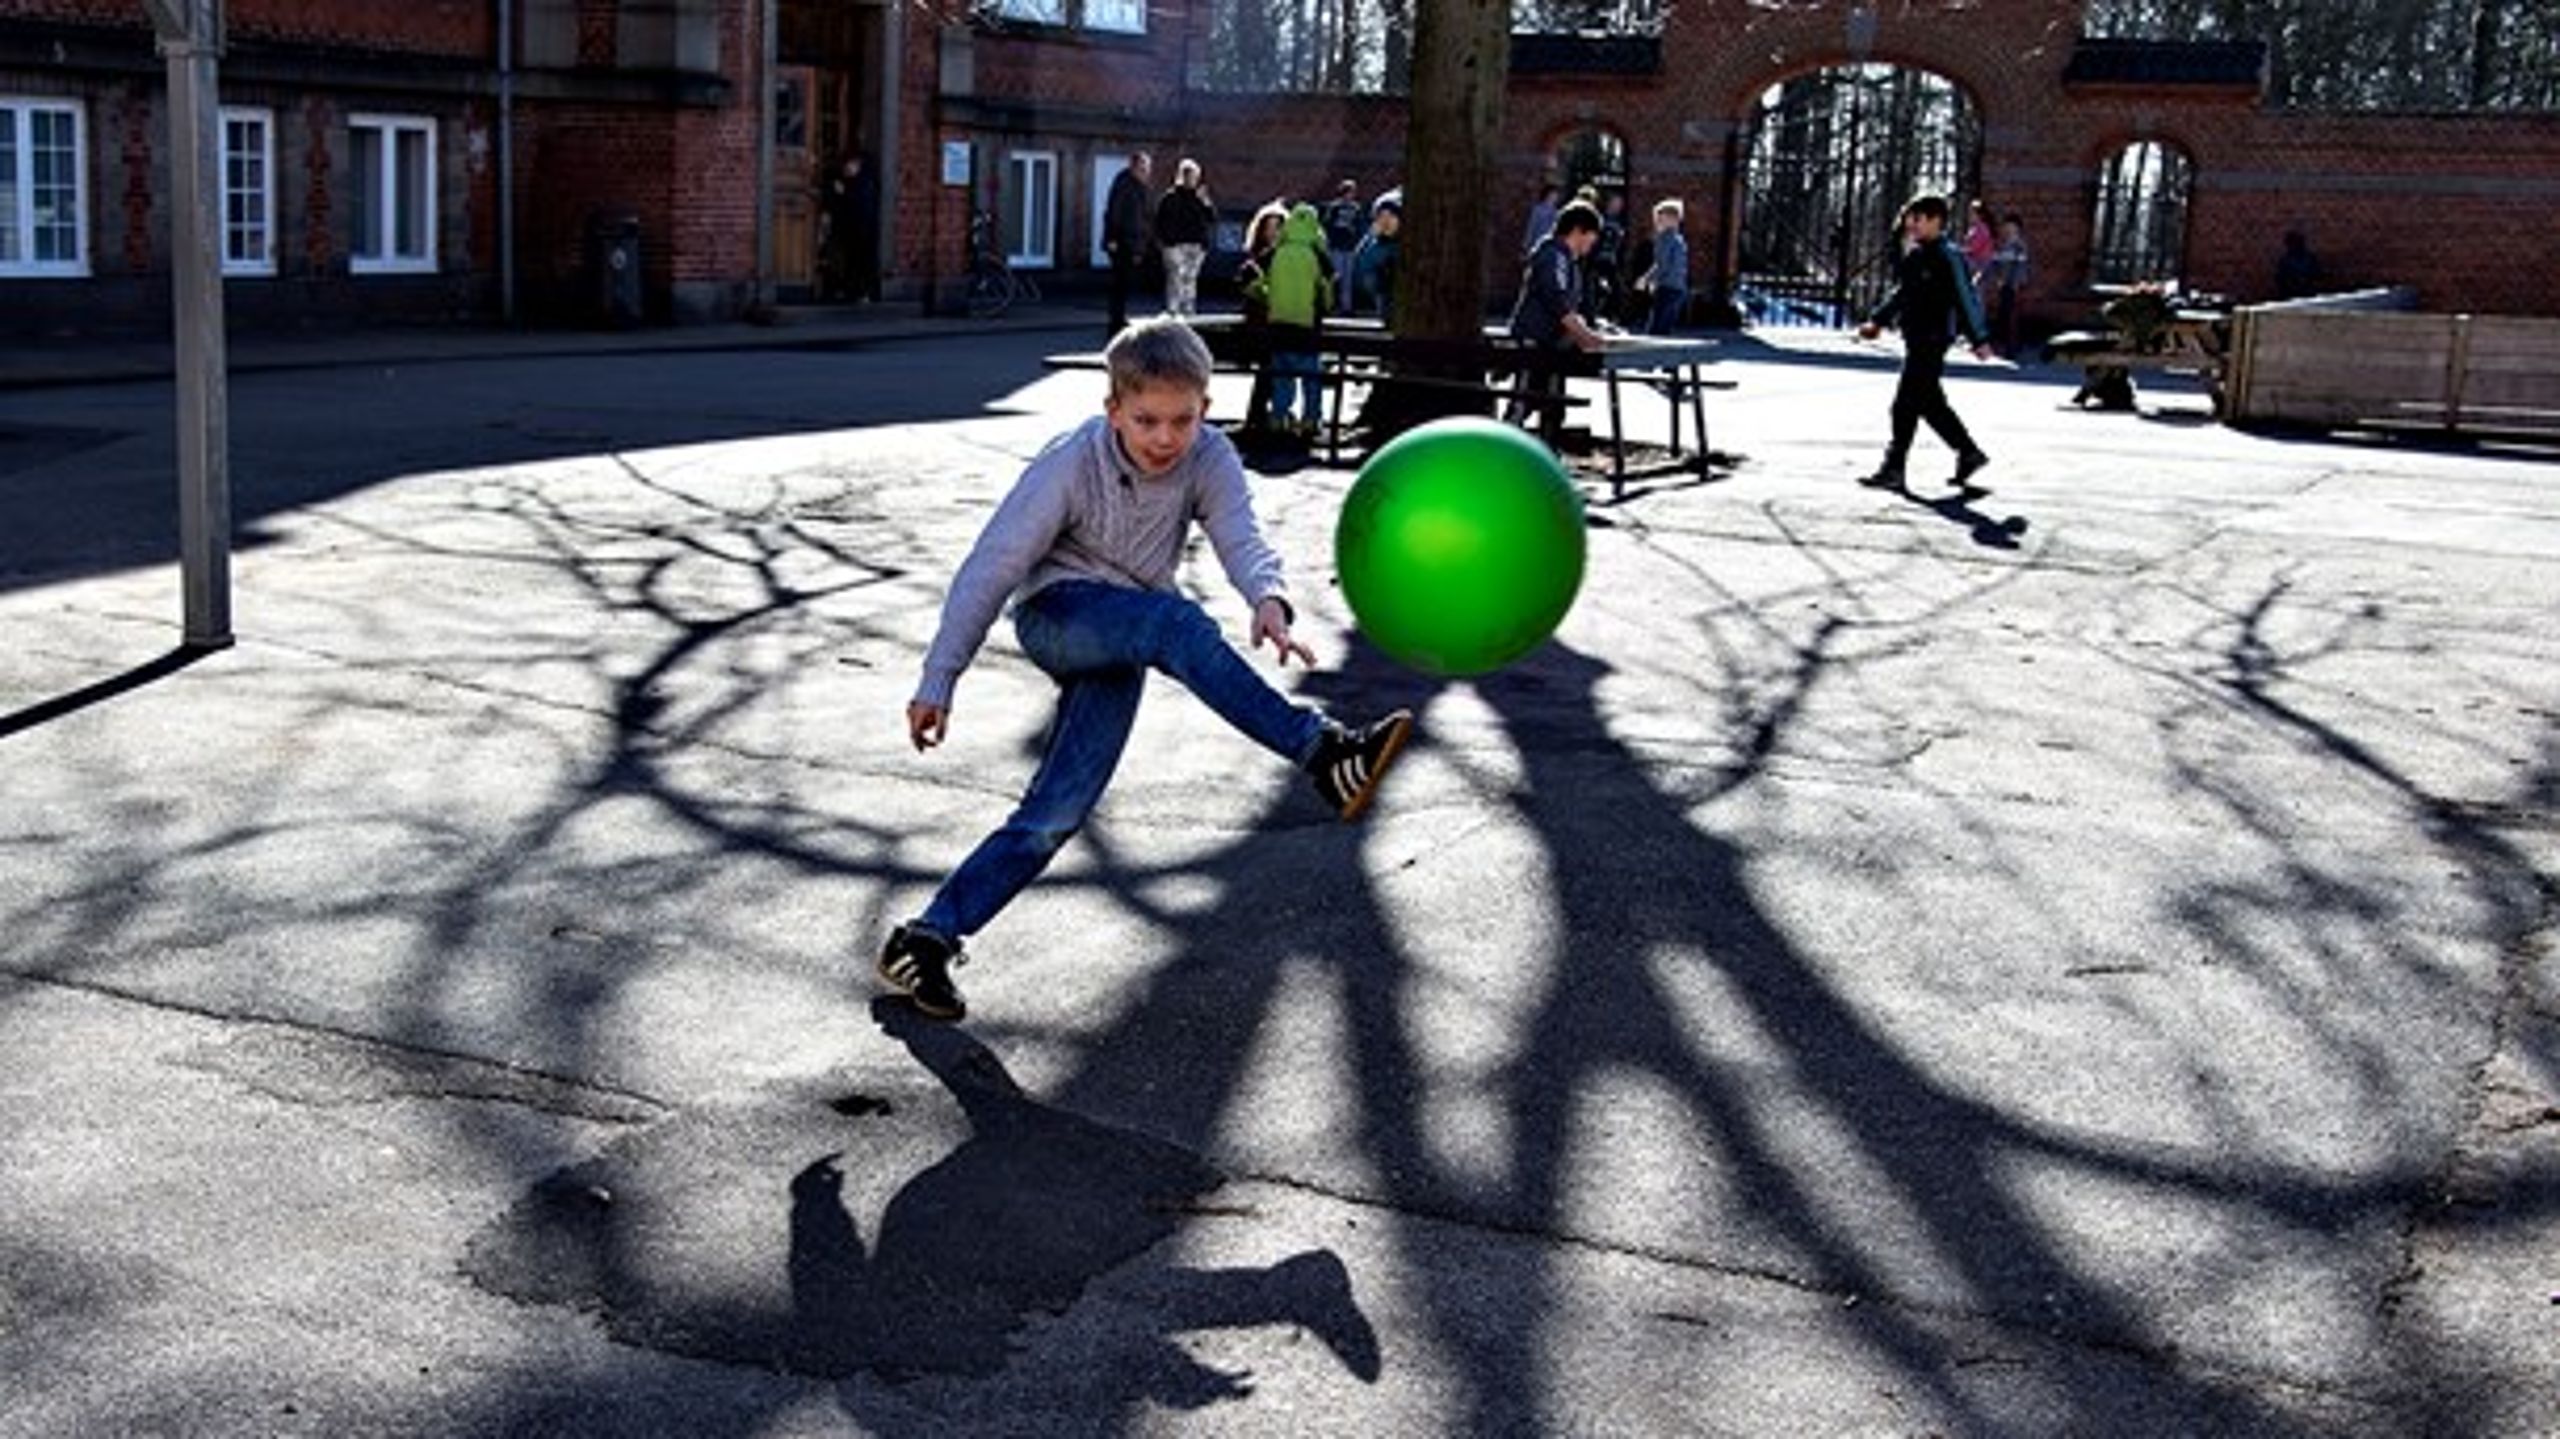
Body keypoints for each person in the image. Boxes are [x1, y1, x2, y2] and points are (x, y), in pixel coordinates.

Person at [877, 317, 1417, 1021]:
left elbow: (1240, 533)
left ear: (1205, 407)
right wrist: (938, 679)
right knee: (1176, 621)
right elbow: (993, 566)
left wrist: (1269, 598)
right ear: (1112, 411)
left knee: (1055, 812)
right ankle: (1324, 750)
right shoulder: (1071, 462)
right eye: (1146, 421)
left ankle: (926, 939)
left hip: (1128, 631)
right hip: (1058, 614)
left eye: (1183, 420)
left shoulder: (1209, 457)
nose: (1166, 438)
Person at [1854, 193, 1993, 490]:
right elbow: (1902, 293)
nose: (1910, 224)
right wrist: (1878, 320)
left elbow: (1965, 298)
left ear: (1936, 221)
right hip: (1916, 337)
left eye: (1917, 218)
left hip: (1933, 339)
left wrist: (1979, 337)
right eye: (1909, 218)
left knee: (1905, 404)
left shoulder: (1948, 255)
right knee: (1930, 403)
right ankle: (1969, 452)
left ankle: (1894, 467)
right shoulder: (1917, 255)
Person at [1503, 199, 1608, 445]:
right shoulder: (1553, 255)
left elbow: (1569, 304)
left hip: (1552, 345)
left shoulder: (1567, 260)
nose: (1593, 242)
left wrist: (1585, 328)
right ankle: (1502, 453)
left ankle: (1546, 451)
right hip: (1535, 341)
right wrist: (1585, 336)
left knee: (1553, 403)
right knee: (1523, 402)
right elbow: (1556, 300)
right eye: (1592, 235)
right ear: (1578, 231)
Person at [1254, 203, 1332, 440]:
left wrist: (1268, 299)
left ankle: (1279, 418)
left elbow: (1258, 283)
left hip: (1278, 325)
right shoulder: (1317, 254)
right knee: (1311, 378)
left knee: (1282, 377)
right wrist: (1326, 306)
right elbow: (1327, 291)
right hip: (1307, 327)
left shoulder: (1277, 251)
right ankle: (1311, 419)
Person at [1233, 200, 1291, 438]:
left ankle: (1265, 416)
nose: (1273, 232)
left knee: (1273, 372)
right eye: (1269, 227)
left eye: (1278, 227)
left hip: (1278, 323)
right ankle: (1258, 417)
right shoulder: (1256, 258)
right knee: (1267, 370)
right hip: (1258, 325)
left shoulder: (1287, 256)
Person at [1154, 158, 1217, 318]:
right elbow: (1160, 220)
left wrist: (1206, 202)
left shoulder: (1200, 197)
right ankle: (1173, 309)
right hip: (1174, 243)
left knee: (1190, 278)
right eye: (1189, 176)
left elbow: (1212, 218)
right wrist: (1163, 241)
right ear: (1182, 176)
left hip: (1196, 244)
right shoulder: (1170, 197)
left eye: (1195, 177)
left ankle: (1188, 309)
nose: (1192, 180)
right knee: (1175, 277)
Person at [1102, 152, 1153, 339]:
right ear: (1133, 167)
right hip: (1123, 242)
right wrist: (1112, 238)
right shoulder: (1124, 184)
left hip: (1133, 241)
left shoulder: (1140, 186)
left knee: (1124, 284)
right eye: (1143, 168)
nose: (1146, 172)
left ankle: (1119, 318)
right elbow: (1114, 212)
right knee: (1119, 284)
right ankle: (1115, 321)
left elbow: (1143, 216)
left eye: (1147, 169)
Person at [821, 153, 881, 303]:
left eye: (849, 166)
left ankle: (863, 292)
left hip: (862, 231)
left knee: (861, 262)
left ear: (857, 166)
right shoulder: (852, 182)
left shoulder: (864, 183)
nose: (846, 169)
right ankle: (852, 291)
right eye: (846, 166)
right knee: (852, 262)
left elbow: (859, 206)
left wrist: (843, 193)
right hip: (852, 231)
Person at [1637, 198, 1688, 335]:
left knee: (1656, 327)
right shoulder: (1679, 240)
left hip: (1666, 287)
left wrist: (1647, 279)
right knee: (1666, 327)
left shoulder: (1664, 238)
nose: (1656, 223)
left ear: (1673, 220)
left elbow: (1661, 264)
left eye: (1660, 219)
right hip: (1679, 288)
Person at [1350, 191, 1402, 322]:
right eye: (1382, 216)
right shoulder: (1373, 240)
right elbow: (1361, 262)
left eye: (1390, 216)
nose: (1386, 221)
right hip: (1381, 282)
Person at [1985, 212, 2031, 355]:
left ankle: (2012, 347)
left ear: (2017, 228)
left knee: (2012, 317)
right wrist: (1998, 278)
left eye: (2011, 226)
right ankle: (2004, 345)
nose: (2008, 229)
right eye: (2007, 226)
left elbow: (2021, 266)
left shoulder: (2019, 245)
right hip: (2004, 284)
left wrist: (2017, 283)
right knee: (2004, 315)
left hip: (2014, 285)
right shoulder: (2004, 244)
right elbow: (1996, 262)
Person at [1319, 179, 1365, 313]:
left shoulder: (1356, 208)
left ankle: (1346, 306)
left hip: (1349, 247)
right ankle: (1332, 304)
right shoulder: (1334, 207)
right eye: (1349, 191)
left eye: (1353, 192)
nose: (1351, 195)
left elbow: (1359, 226)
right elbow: (1327, 224)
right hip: (1336, 246)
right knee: (1336, 277)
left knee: (1348, 279)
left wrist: (1357, 241)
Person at [2274, 228, 2324, 300]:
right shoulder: (2285, 261)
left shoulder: (2310, 258)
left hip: (2309, 293)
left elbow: (2318, 274)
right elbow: (2281, 280)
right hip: (2293, 295)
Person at [1960, 198, 1997, 288]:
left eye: (1972, 213)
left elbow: (1975, 247)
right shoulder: (1973, 228)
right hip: (1975, 263)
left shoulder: (1982, 228)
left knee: (1977, 289)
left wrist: (1963, 250)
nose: (1969, 216)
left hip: (1981, 264)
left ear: (1980, 215)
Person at [1520, 184, 1560, 259]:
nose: (1554, 197)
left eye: (1556, 195)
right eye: (1552, 194)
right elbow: (1531, 226)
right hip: (1536, 241)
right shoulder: (1538, 209)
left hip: (1549, 245)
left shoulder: (1556, 212)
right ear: (1547, 195)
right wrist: (1526, 244)